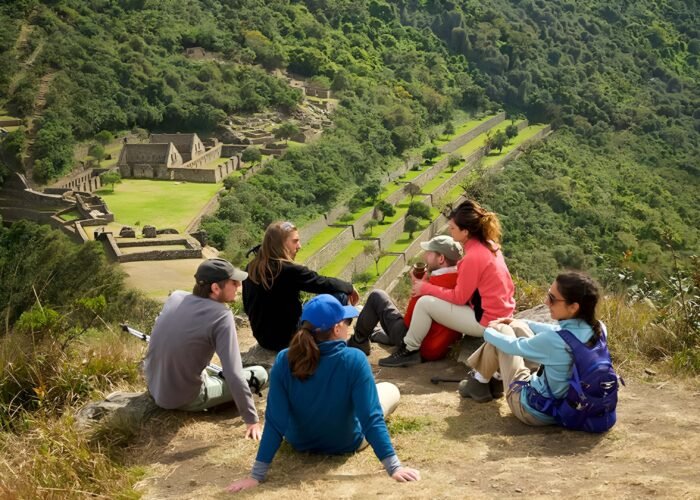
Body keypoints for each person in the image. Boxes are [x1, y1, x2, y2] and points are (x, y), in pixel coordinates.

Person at [226, 295, 420, 493]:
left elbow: (275, 421)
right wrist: (394, 467)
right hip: (345, 442)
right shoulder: (354, 359)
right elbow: (371, 418)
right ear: (337, 328)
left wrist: (256, 475)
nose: (348, 327)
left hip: (299, 442)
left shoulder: (285, 359)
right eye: (347, 322)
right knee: (390, 389)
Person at [379, 199, 515, 368]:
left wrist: (426, 287)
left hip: (486, 322)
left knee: (424, 303)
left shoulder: (472, 257)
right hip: (502, 314)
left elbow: (458, 298)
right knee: (429, 300)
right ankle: (408, 347)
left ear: (465, 231)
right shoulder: (490, 246)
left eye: (453, 228)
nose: (450, 232)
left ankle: (409, 350)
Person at [144, 258, 267, 439]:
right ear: (216, 288)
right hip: (185, 398)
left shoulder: (176, 296)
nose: (239, 286)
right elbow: (233, 373)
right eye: (233, 282)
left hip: (155, 387)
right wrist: (251, 420)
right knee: (260, 373)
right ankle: (216, 403)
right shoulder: (221, 316)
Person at [460, 271, 605, 424]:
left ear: (573, 307)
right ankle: (490, 380)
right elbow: (558, 333)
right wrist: (520, 322)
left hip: (532, 411)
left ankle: (480, 380)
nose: (546, 302)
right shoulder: (598, 328)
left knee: (501, 331)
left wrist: (487, 330)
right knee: (515, 326)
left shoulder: (553, 341)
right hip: (565, 405)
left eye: (552, 299)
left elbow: (512, 346)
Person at [243, 220, 359, 352]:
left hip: (264, 339)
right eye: (295, 241)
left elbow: (247, 307)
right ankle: (331, 342)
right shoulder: (289, 270)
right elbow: (322, 283)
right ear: (280, 243)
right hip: (289, 339)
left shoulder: (251, 267)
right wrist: (349, 287)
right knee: (340, 296)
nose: (299, 246)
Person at [347, 235, 463, 361]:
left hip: (418, 344)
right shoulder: (462, 281)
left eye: (429, 253)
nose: (424, 256)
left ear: (441, 258)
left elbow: (408, 322)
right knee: (389, 318)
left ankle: (359, 342)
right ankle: (376, 333)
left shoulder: (433, 286)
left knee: (377, 296)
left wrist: (417, 288)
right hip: (441, 343)